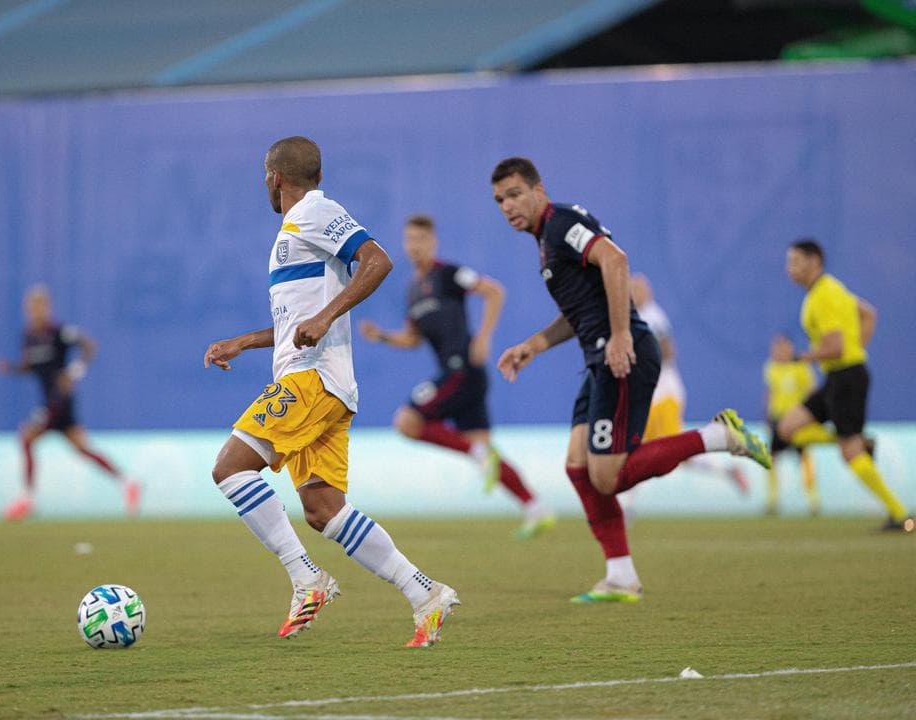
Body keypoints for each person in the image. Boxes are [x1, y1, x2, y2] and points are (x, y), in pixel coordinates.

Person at [203, 136, 459, 648]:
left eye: (264, 173)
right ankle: (425, 592)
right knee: (323, 510)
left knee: (230, 468)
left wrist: (324, 316)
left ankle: (306, 579)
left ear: (275, 177)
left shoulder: (315, 213)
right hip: (319, 380)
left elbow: (378, 260)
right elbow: (298, 323)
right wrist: (245, 341)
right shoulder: (294, 231)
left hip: (311, 379)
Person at [490, 157, 771, 603]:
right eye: (500, 200)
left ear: (539, 189)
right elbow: (580, 309)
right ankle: (620, 575)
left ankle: (719, 436)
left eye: (515, 194)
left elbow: (614, 260)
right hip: (598, 358)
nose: (507, 206)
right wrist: (534, 345)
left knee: (608, 476)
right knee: (578, 466)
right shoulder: (546, 240)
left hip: (621, 356)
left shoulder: (562, 223)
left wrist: (621, 335)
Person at [359, 214, 556, 538]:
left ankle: (481, 459)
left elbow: (494, 292)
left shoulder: (448, 274)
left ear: (432, 242)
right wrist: (381, 336)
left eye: (421, 239)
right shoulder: (412, 291)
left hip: (462, 370)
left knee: (407, 422)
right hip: (462, 377)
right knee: (484, 450)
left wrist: (484, 336)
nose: (415, 246)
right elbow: (412, 339)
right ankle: (536, 507)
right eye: (409, 240)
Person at [778, 239, 912, 532]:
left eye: (795, 261)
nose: (789, 268)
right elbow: (869, 314)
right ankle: (859, 441)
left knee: (848, 453)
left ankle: (901, 515)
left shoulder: (823, 296)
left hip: (846, 377)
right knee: (789, 427)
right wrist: (858, 348)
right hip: (840, 376)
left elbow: (835, 348)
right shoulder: (830, 289)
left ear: (814, 262)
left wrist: (799, 357)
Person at [0, 285, 140, 520]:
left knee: (27, 436)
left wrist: (74, 372)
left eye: (40, 305)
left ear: (48, 306)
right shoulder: (29, 336)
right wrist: (11, 368)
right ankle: (128, 482)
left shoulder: (59, 331)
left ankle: (27, 499)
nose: (35, 310)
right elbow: (29, 366)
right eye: (31, 306)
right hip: (50, 401)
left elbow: (89, 346)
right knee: (83, 448)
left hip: (59, 401)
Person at [630, 273, 748, 495]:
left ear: (647, 293)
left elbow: (668, 351)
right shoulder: (638, 317)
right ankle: (728, 470)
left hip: (661, 395)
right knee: (638, 450)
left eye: (636, 289)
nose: (632, 294)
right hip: (651, 396)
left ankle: (624, 508)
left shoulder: (652, 317)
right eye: (630, 290)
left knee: (650, 450)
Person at [763, 333, 832, 516]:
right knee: (771, 459)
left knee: (804, 459)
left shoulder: (801, 367)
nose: (778, 351)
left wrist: (809, 416)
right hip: (778, 419)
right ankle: (772, 501)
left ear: (790, 348)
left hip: (797, 421)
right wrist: (768, 416)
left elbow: (812, 392)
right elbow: (771, 393)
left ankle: (813, 501)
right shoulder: (771, 368)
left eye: (782, 347)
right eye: (776, 348)